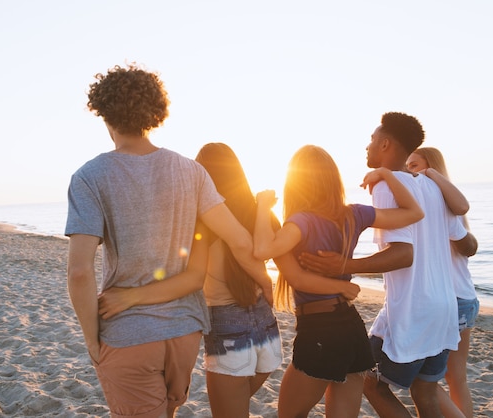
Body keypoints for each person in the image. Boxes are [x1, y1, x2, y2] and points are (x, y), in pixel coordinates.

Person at [65, 63, 272, 418]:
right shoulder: (191, 171)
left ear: (103, 114)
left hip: (128, 332)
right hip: (185, 332)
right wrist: (267, 282)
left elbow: (80, 272)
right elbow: (239, 239)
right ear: (154, 113)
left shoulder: (90, 176)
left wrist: (90, 337)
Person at [299, 112, 477, 418]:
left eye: (371, 140)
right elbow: (463, 232)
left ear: (384, 144)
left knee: (370, 383)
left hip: (413, 312)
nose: (366, 146)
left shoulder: (384, 186)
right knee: (425, 391)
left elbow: (402, 255)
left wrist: (344, 264)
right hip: (444, 310)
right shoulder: (434, 188)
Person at [253, 144, 424, 418]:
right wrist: (388, 174)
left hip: (320, 329)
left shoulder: (301, 222)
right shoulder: (353, 214)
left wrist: (262, 207)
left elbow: (262, 250)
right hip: (352, 327)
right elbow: (414, 212)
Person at [192, 142, 282, 418]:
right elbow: (284, 256)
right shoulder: (259, 212)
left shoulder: (203, 218)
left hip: (226, 324)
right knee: (236, 406)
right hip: (266, 324)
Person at [407, 147, 479, 418]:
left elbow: (466, 244)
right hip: (463, 298)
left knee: (425, 379)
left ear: (433, 169)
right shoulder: (438, 203)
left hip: (453, 300)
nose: (410, 171)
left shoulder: (440, 204)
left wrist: (428, 174)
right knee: (454, 378)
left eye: (415, 166)